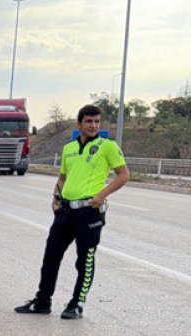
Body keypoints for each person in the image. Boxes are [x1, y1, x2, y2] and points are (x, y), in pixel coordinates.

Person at [15, 104, 130, 319]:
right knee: (51, 257)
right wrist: (56, 198)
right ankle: (42, 301)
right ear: (79, 124)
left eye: (96, 121)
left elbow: (124, 175)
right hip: (66, 212)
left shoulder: (107, 146)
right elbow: (62, 177)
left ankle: (76, 303)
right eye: (88, 121)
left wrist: (101, 196)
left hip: (90, 212)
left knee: (84, 260)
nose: (93, 125)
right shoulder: (69, 149)